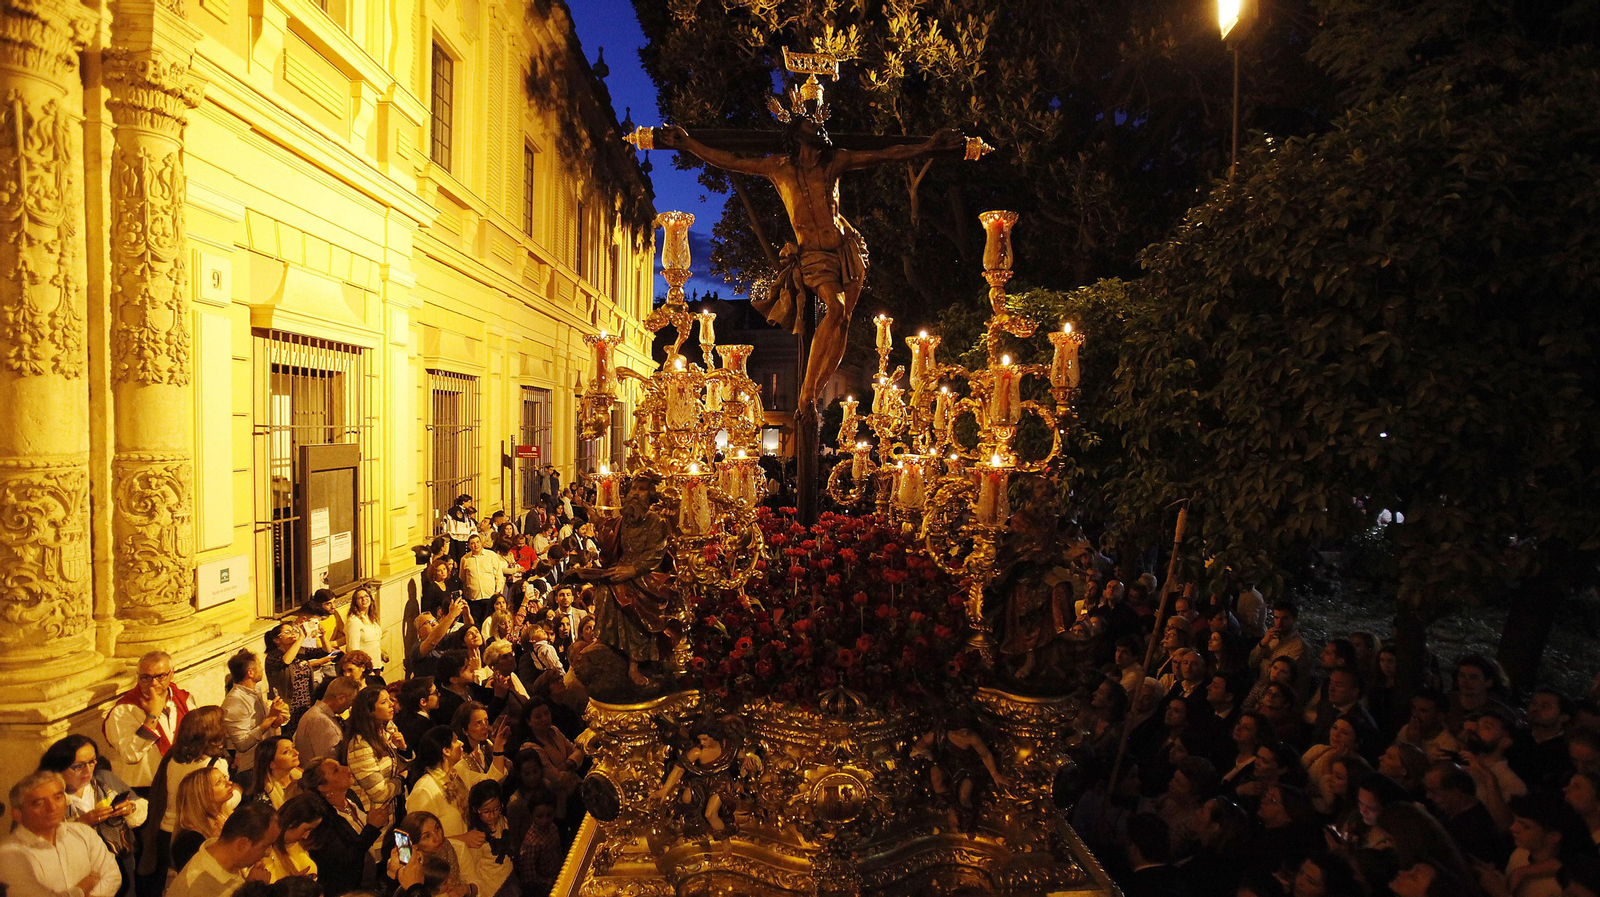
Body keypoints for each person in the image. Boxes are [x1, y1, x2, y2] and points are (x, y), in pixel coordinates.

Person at [576, 472, 676, 686]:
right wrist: (594, 516)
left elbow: (655, 553)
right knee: (604, 590)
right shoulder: (624, 520)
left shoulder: (656, 521)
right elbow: (608, 532)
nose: (636, 494)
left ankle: (634, 664)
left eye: (642, 490)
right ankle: (606, 643)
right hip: (622, 568)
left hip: (646, 575)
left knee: (629, 599)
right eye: (634, 489)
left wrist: (633, 570)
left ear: (650, 496)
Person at [141, 704, 233, 892]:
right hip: (196, 833)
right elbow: (221, 802)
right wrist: (237, 791)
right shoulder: (215, 765)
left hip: (166, 832)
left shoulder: (173, 758)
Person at [0, 770, 122, 897]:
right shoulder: (9, 852)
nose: (52, 807)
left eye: (58, 797)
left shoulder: (83, 832)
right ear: (17, 814)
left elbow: (112, 876)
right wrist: (84, 887)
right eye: (39, 803)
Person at [300, 757, 391, 897]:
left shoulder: (351, 797)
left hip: (369, 881)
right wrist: (371, 828)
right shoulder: (323, 821)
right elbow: (344, 862)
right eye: (336, 771)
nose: (345, 768)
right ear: (323, 787)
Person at [103, 650, 193, 789]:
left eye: (160, 676)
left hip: (182, 781)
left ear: (172, 673)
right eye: (146, 677)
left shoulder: (183, 699)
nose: (153, 683)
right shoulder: (123, 711)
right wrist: (152, 717)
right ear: (138, 676)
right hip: (146, 790)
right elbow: (130, 755)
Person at [165, 801, 278, 897]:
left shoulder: (227, 856)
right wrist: (253, 889)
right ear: (242, 844)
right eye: (266, 846)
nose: (268, 853)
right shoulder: (200, 887)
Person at [1422, 761, 1509, 867]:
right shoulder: (1448, 815)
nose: (1428, 796)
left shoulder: (1476, 829)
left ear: (1457, 792)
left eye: (1434, 791)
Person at [341, 685, 408, 815]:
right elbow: (379, 793)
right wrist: (401, 779)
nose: (391, 704)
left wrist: (403, 749)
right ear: (369, 711)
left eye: (390, 699)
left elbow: (404, 766)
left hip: (394, 809)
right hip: (376, 817)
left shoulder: (387, 730)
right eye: (384, 702)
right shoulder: (360, 746)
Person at [222, 649, 292, 762]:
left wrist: (276, 719)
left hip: (268, 756)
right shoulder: (235, 702)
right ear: (250, 672)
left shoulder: (256, 690)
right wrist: (270, 718)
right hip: (252, 763)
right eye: (259, 665)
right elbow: (242, 744)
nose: (262, 669)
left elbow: (263, 724)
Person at [264, 623, 335, 730]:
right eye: (287, 632)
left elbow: (326, 651)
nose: (292, 634)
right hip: (287, 706)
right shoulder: (273, 656)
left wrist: (323, 636)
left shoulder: (301, 651)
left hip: (305, 703)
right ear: (277, 640)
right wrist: (301, 638)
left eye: (293, 631)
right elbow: (286, 661)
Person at [169, 766, 233, 874]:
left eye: (225, 777)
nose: (229, 783)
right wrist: (222, 842)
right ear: (201, 794)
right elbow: (202, 877)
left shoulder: (229, 817)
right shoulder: (188, 840)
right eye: (219, 782)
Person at [295, 676, 360, 767]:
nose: (350, 706)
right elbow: (328, 763)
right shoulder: (320, 720)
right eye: (351, 701)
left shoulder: (318, 715)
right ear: (341, 699)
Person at [258, 793, 322, 883]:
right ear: (292, 822)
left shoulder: (298, 849)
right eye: (306, 829)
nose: (306, 836)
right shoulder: (261, 851)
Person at [514, 788, 562, 897]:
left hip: (558, 874)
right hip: (545, 888)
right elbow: (529, 878)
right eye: (540, 816)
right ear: (532, 815)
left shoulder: (553, 828)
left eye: (549, 815)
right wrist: (551, 882)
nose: (545, 821)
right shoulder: (532, 843)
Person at [242, 737, 301, 809]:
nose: (296, 753)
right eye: (286, 752)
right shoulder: (265, 798)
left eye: (293, 747)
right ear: (272, 764)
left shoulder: (302, 776)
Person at [342, 585, 385, 673]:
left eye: (366, 596)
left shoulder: (371, 618)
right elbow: (353, 649)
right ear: (355, 602)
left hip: (376, 666)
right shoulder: (354, 621)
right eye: (360, 598)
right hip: (365, 670)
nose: (364, 599)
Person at [443, 494, 478, 562]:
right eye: (469, 502)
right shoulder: (455, 511)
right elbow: (454, 524)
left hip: (465, 537)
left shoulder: (465, 511)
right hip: (457, 536)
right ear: (463, 502)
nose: (470, 504)